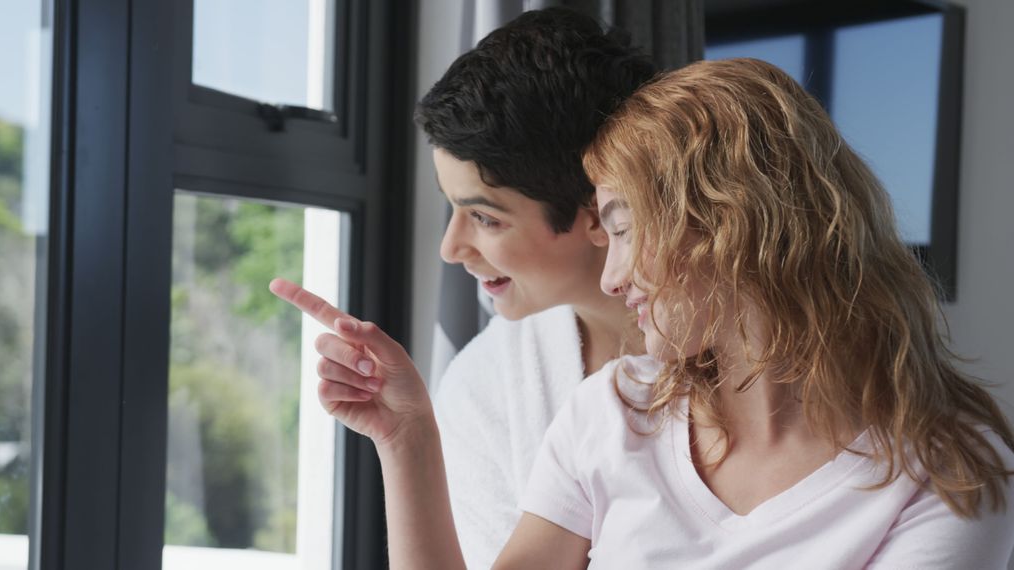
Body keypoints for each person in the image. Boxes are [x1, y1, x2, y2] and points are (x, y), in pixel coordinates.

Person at [272, 57, 1014, 568]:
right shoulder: (615, 415)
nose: (616, 272)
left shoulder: (944, 471)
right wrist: (407, 439)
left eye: (624, 228)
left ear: (733, 226)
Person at [411, 8, 655, 566]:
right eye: (454, 209)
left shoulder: (767, 362)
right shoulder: (487, 388)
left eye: (486, 218)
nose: (452, 248)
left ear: (599, 210)